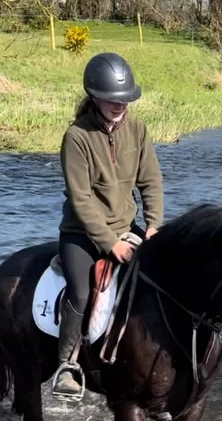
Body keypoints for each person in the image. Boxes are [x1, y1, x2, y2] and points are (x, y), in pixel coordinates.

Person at [55, 51, 164, 395]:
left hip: (126, 228)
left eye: (125, 99)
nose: (120, 105)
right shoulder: (76, 137)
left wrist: (154, 225)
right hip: (82, 235)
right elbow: (81, 199)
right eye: (112, 100)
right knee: (81, 290)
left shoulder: (138, 130)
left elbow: (151, 181)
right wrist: (109, 243)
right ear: (94, 96)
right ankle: (67, 365)